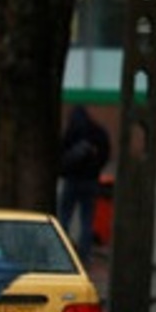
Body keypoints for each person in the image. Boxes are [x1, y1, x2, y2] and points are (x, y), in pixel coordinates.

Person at [57, 105, 111, 264]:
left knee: (64, 218)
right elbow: (106, 153)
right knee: (87, 221)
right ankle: (84, 257)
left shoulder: (70, 133)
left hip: (72, 181)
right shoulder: (97, 132)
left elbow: (61, 155)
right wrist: (96, 169)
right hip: (90, 182)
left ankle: (63, 255)